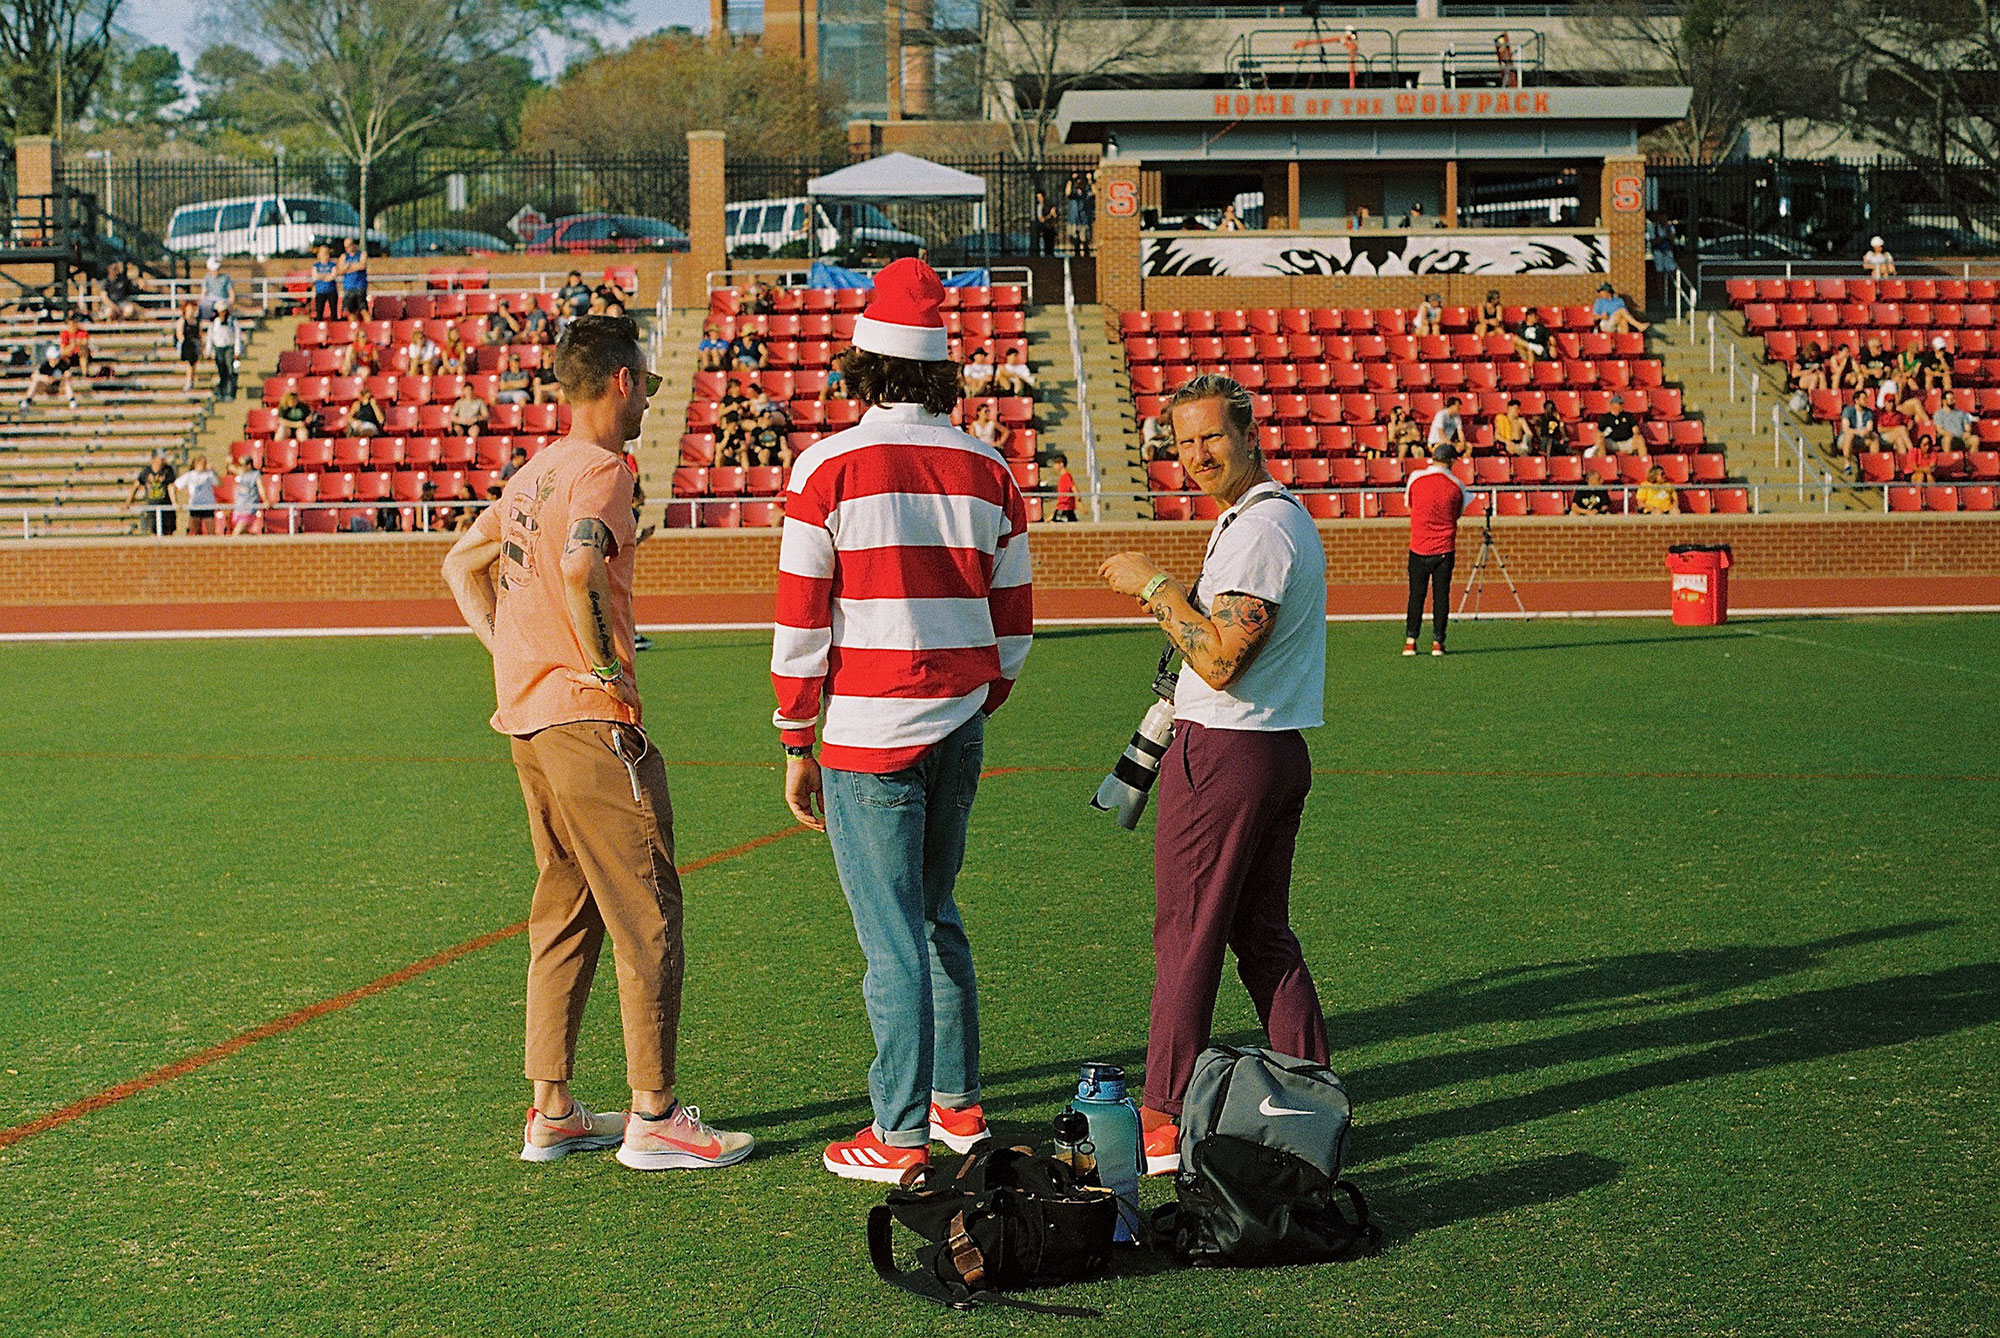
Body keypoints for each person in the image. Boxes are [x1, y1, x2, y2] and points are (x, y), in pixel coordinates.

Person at [442, 314, 753, 1173]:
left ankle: (552, 1110)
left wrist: (515, 653)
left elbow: (458, 566)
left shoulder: (532, 472)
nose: (650, 393)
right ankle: (654, 1114)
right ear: (622, 381)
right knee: (647, 911)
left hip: (530, 725)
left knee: (564, 911)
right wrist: (605, 664)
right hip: (587, 721)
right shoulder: (605, 471)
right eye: (645, 380)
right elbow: (582, 568)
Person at [770, 258, 1033, 1182]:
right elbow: (1015, 620)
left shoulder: (825, 467)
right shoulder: (991, 464)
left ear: (864, 366)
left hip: (868, 734)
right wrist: (974, 697)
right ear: (940, 368)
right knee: (935, 919)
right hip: (959, 722)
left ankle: (901, 1132)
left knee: (891, 941)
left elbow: (801, 619)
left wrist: (794, 737)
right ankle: (957, 1105)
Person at [1094, 373, 1329, 1176]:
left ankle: (1161, 1116)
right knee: (1260, 935)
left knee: (1188, 935)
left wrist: (1155, 586)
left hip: (1227, 749)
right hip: (1269, 747)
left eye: (1210, 438)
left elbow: (1223, 659)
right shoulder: (1264, 519)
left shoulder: (1260, 530)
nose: (1195, 455)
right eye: (1183, 442)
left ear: (1248, 433)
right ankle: (1311, 1085)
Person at [1403, 439, 1467, 656]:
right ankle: (1438, 642)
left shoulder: (1415, 478)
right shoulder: (1457, 485)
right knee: (1441, 596)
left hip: (1419, 545)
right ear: (1450, 462)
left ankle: (1410, 640)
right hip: (1444, 548)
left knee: (1416, 596)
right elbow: (1457, 513)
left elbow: (1410, 505)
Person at [129, 449, 179, 536]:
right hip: (152, 507)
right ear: (154, 459)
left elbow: (171, 486)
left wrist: (174, 502)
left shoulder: (168, 470)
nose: (163, 460)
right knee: (153, 532)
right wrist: (129, 501)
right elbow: (136, 485)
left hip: (166, 507)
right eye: (161, 458)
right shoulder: (146, 471)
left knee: (168, 532)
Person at [174, 452, 222, 535]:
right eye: (201, 463)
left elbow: (219, 484)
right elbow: (176, 485)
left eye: (204, 463)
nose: (203, 465)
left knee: (210, 529)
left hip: (208, 504)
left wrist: (214, 471)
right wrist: (186, 493)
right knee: (196, 530)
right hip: (195, 504)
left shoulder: (209, 474)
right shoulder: (189, 475)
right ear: (196, 464)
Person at [209, 309, 242, 400]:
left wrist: (237, 351)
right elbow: (210, 338)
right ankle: (222, 392)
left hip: (229, 348)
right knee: (222, 371)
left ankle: (230, 392)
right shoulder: (214, 323)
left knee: (230, 370)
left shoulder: (232, 322)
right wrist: (209, 351)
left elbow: (237, 337)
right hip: (219, 348)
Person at [1835, 397, 1876, 469]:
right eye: (1863, 398)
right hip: (1844, 439)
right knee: (1849, 435)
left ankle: (1873, 464)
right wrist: (1859, 432)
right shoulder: (1848, 410)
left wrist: (1866, 432)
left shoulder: (1868, 412)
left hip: (1861, 438)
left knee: (1874, 437)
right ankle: (1847, 463)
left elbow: (1869, 427)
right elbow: (1845, 429)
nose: (1866, 400)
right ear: (1856, 400)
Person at [173, 301, 202, 392]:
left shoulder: (197, 322)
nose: (191, 311)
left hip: (194, 344)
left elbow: (199, 335)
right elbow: (179, 335)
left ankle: (191, 380)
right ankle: (189, 381)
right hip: (185, 344)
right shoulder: (182, 321)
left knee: (193, 359)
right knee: (190, 357)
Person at [230, 456, 263, 535]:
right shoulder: (242, 474)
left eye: (241, 465)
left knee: (235, 535)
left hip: (248, 508)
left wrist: (265, 500)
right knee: (243, 532)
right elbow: (231, 468)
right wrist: (230, 461)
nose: (240, 467)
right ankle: (254, 538)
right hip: (239, 508)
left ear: (249, 465)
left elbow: (261, 488)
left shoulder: (255, 475)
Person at [338, 237, 369, 318]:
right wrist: (354, 267)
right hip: (348, 287)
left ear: (354, 245)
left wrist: (348, 267)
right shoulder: (344, 256)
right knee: (347, 311)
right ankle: (355, 328)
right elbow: (340, 270)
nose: (347, 249)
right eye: (345, 247)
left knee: (363, 310)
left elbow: (362, 266)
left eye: (349, 246)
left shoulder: (362, 254)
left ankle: (371, 328)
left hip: (360, 286)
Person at [310, 244, 340, 322]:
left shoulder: (332, 265)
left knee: (333, 312)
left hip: (331, 291)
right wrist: (326, 276)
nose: (325, 255)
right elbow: (315, 277)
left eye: (326, 253)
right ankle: (319, 326)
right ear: (319, 254)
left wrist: (322, 276)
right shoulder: (316, 266)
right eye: (323, 253)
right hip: (320, 292)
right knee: (319, 312)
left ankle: (334, 327)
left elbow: (333, 276)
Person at [199, 256, 235, 320]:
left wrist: (230, 302)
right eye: (213, 269)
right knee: (204, 305)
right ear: (209, 269)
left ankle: (221, 321)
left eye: (217, 269)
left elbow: (231, 293)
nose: (216, 271)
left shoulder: (225, 278)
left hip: (222, 300)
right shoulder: (207, 278)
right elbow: (203, 293)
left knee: (221, 307)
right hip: (211, 301)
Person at [1052, 451, 1078, 521]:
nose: (1054, 466)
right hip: (1064, 507)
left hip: (1064, 508)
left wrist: (1078, 499)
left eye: (1055, 463)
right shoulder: (1062, 476)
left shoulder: (1066, 476)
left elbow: (1074, 488)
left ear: (1061, 464)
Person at [1035, 189, 1060, 257]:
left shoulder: (1048, 205)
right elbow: (1041, 219)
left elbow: (1055, 215)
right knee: (1045, 244)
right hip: (1043, 228)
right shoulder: (1039, 206)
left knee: (1050, 244)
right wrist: (1049, 215)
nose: (1039, 199)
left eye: (1040, 197)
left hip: (1049, 227)